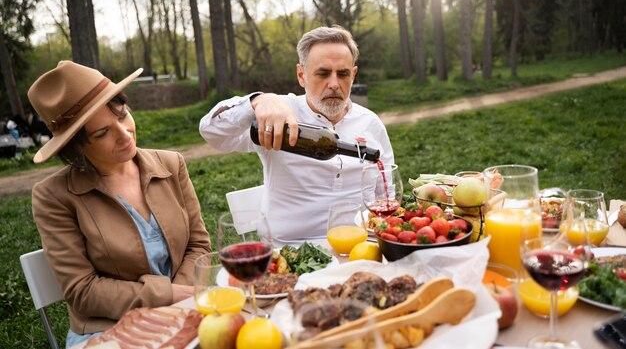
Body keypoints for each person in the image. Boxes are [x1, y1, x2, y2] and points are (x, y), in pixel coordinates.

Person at [27, 61, 211, 348]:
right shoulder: (54, 197)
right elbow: (82, 291)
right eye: (102, 133)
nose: (125, 134)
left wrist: (181, 298)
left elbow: (198, 246)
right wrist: (168, 296)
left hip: (186, 307)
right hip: (106, 330)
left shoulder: (171, 164)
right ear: (76, 148)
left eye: (123, 116)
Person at [199, 25, 394, 244]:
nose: (333, 84)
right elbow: (211, 132)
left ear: (354, 74)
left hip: (360, 245)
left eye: (343, 74)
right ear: (301, 75)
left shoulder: (370, 123)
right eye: (322, 73)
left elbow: (386, 192)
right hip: (289, 249)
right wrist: (257, 101)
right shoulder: (276, 113)